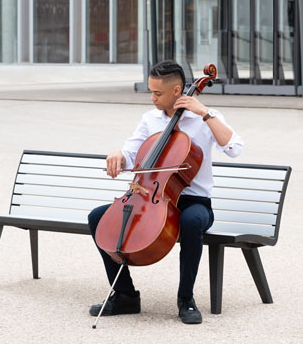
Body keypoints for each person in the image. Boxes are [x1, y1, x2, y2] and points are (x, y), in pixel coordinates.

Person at [88, 61, 243, 324]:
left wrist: (205, 113)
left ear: (177, 90)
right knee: (98, 218)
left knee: (191, 221)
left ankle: (186, 299)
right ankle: (125, 294)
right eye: (151, 91)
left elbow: (234, 148)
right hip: (150, 198)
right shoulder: (150, 120)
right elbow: (129, 153)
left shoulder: (207, 117)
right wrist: (117, 154)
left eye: (157, 93)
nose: (152, 98)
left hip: (195, 202)